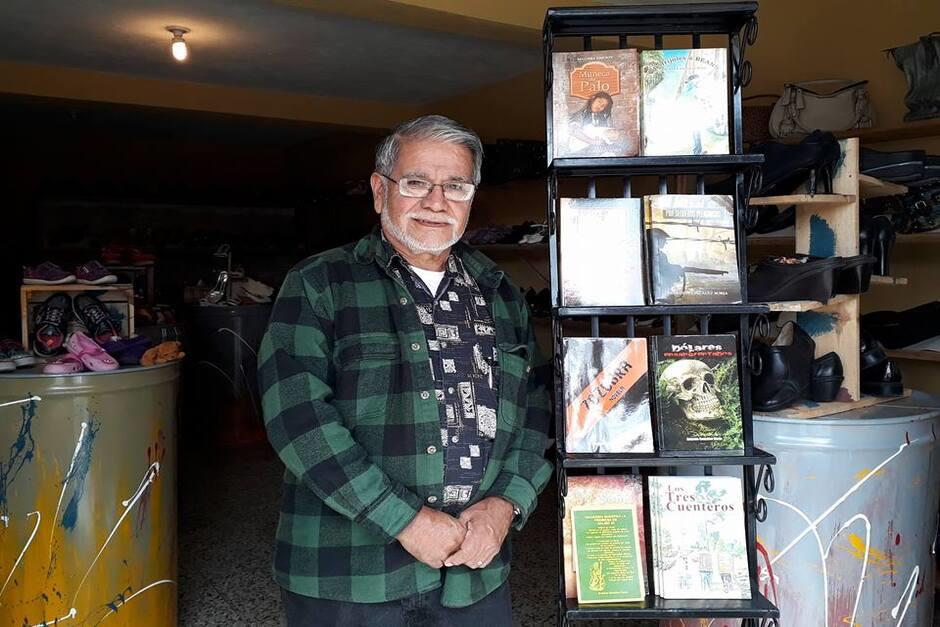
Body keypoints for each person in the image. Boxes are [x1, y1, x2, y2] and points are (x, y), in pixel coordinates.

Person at [258, 114, 552, 626]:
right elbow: (298, 420)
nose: (437, 203)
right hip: (349, 576)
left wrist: (506, 504)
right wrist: (406, 521)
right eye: (417, 183)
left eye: (455, 186)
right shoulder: (319, 283)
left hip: (473, 572)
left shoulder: (499, 292)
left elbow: (535, 412)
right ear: (379, 190)